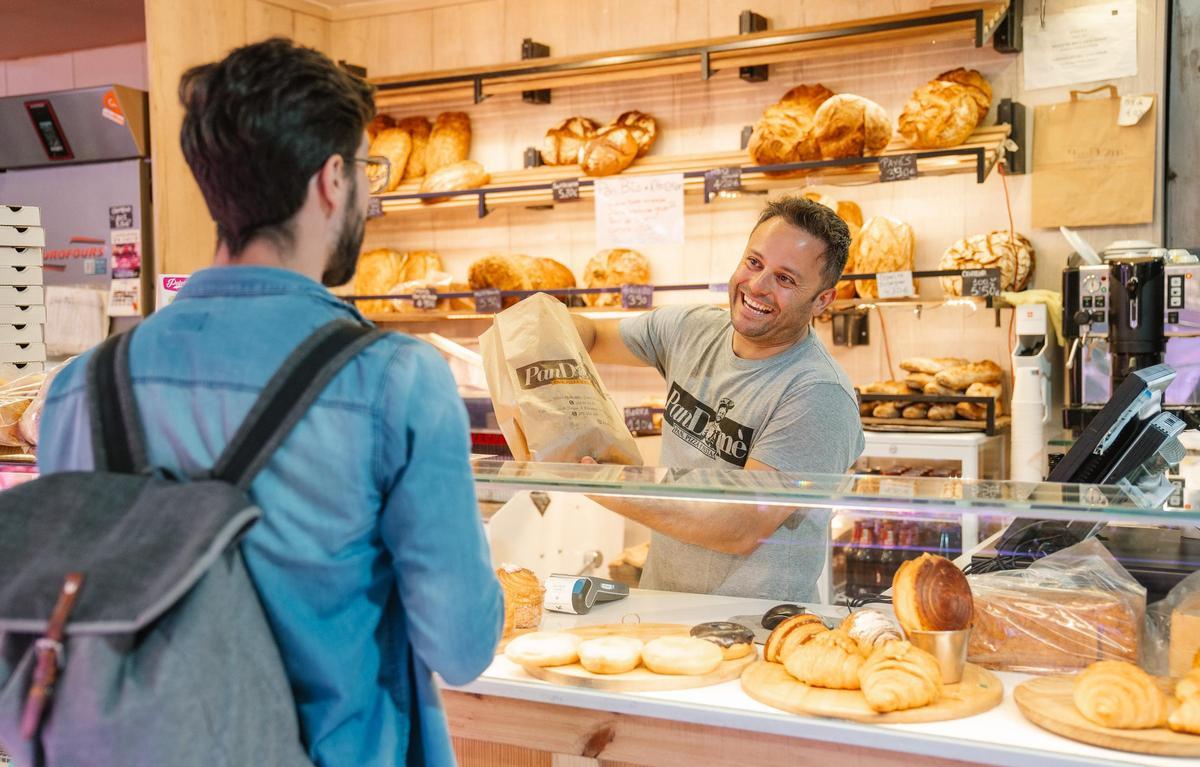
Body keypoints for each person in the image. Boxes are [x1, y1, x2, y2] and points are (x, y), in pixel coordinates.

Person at [36, 38, 502, 766]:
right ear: (332, 179)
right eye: (366, 172)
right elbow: (462, 645)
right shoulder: (395, 379)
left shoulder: (79, 389)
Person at [573, 197, 865, 601]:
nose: (758, 286)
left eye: (785, 279)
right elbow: (593, 338)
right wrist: (541, 322)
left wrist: (606, 485)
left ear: (822, 301)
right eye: (754, 262)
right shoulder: (691, 329)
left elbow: (739, 525)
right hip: (664, 606)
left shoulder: (818, 395)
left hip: (757, 632)